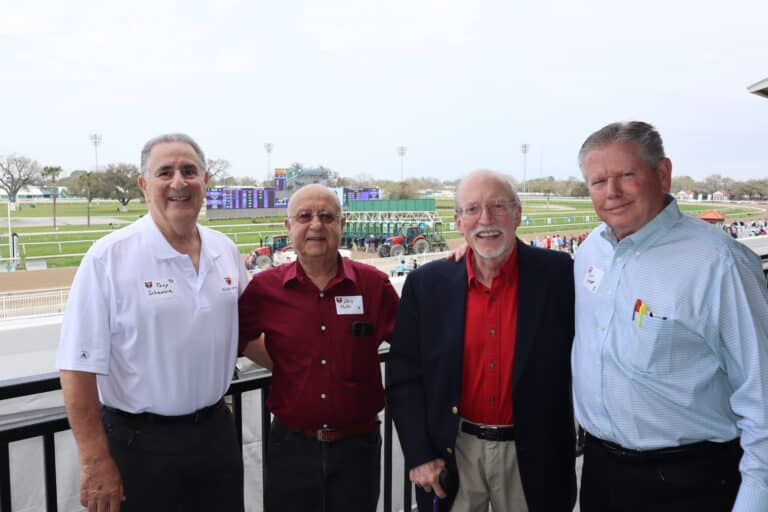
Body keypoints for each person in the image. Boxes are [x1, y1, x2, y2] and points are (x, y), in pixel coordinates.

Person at [573, 121, 768, 511]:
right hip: (600, 473)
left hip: (690, 481)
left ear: (663, 174)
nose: (611, 192)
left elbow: (761, 397)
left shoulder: (720, 264)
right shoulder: (591, 250)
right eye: (598, 181)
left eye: (626, 175)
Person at [56, 134, 247, 512]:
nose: (179, 182)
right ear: (145, 185)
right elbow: (77, 366)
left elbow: (252, 331)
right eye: (165, 172)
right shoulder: (108, 259)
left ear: (204, 181)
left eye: (189, 171)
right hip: (139, 447)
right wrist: (95, 461)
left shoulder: (225, 251)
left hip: (215, 439)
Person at [386, 169, 576, 511]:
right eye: (472, 209)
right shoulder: (426, 285)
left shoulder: (560, 274)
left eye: (498, 206)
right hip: (455, 452)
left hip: (533, 454)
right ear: (459, 222)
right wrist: (419, 455)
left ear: (518, 215)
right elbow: (404, 376)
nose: (485, 219)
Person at [238, 184, 399, 512]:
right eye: (305, 216)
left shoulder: (373, 285)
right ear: (289, 227)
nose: (316, 225)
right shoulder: (264, 289)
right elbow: (239, 337)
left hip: (358, 448)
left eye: (327, 216)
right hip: (291, 448)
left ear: (342, 224)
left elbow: (413, 344)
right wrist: (286, 364)